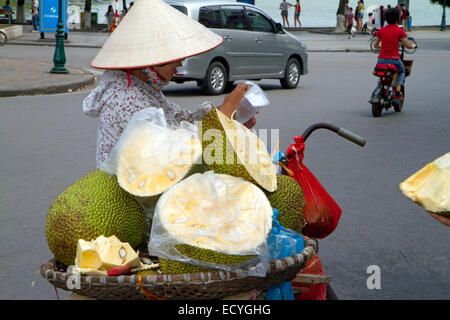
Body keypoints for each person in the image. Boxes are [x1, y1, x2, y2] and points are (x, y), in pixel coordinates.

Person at [83, 0, 250, 168]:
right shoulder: (126, 97)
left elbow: (180, 120)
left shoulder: (143, 89)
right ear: (153, 60)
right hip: (129, 188)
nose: (180, 64)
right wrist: (225, 113)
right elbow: (173, 153)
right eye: (176, 58)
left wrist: (227, 115)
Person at [374, 8, 416, 101]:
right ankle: (397, 90)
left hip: (381, 59)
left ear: (385, 19)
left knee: (381, 73)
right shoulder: (400, 31)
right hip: (394, 60)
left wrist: (383, 46)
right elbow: (407, 45)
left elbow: (376, 45)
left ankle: (381, 85)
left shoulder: (380, 30)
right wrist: (412, 46)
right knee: (401, 72)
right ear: (398, 19)